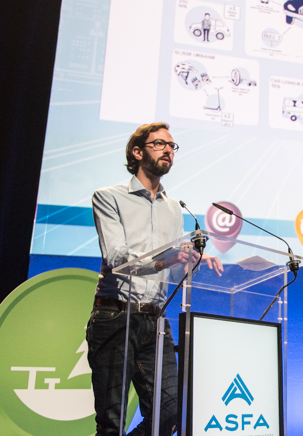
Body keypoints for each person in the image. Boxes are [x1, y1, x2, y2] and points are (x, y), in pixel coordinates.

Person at [86, 122, 223, 436]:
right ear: (137, 152)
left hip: (157, 322)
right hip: (115, 315)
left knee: (170, 414)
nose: (168, 151)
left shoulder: (176, 209)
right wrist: (168, 258)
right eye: (160, 144)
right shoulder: (108, 197)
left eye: (172, 146)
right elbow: (117, 259)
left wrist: (192, 260)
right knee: (112, 423)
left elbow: (172, 273)